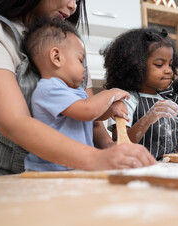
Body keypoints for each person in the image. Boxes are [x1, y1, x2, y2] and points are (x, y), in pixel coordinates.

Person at [0, 0, 155, 178]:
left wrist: (109, 147)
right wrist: (95, 158)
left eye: (78, 1)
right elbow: (14, 122)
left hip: (63, 172)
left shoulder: (70, 43)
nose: (73, 6)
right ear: (55, 57)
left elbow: (90, 118)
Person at [23, 18, 134, 171]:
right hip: (50, 169)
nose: (84, 69)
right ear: (56, 57)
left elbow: (91, 116)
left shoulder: (75, 91)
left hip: (73, 166)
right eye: (80, 60)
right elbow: (87, 111)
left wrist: (110, 110)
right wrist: (111, 93)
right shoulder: (49, 88)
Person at [102, 28, 178, 160]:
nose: (168, 71)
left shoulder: (171, 99)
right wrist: (148, 118)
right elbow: (121, 142)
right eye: (159, 65)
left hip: (167, 167)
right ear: (136, 66)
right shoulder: (126, 100)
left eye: (170, 64)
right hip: (137, 167)